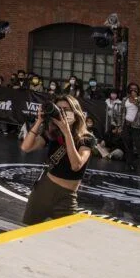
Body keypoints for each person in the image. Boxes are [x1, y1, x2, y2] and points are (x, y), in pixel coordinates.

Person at [20, 95, 95, 225]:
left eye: (66, 109)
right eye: (59, 109)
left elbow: (76, 165)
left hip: (67, 197)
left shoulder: (87, 139)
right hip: (44, 190)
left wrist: (67, 132)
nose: (62, 113)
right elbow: (26, 147)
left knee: (67, 233)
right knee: (27, 230)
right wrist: (39, 121)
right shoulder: (52, 133)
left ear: (75, 112)